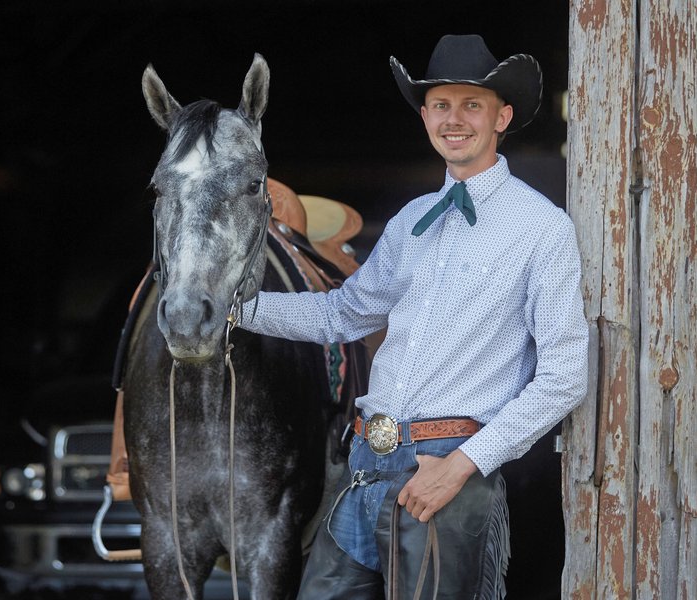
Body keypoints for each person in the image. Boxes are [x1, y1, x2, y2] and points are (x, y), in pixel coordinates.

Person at [241, 34, 589, 599]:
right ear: (425, 117)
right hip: (363, 467)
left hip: (445, 472)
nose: (454, 119)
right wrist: (236, 310)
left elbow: (564, 376)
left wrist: (463, 464)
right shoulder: (411, 220)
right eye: (440, 105)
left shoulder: (541, 229)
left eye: (471, 105)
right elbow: (344, 314)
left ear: (501, 117)